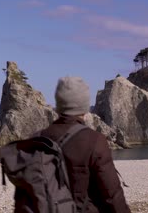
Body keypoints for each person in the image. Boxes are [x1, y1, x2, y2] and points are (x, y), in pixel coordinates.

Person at [39, 77, 131, 213]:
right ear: (84, 106)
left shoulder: (39, 137)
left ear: (58, 106)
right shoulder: (94, 140)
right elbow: (112, 194)